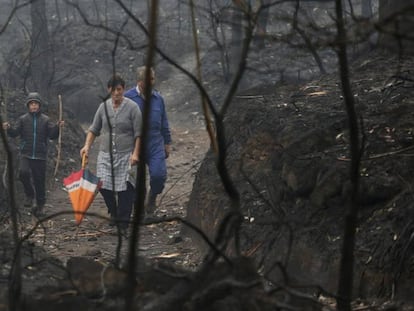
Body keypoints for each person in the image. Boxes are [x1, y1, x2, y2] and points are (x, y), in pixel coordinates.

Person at [80, 74, 142, 230]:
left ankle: (123, 222)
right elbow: (94, 129)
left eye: (119, 89)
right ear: (109, 90)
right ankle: (114, 212)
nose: (116, 93)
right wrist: (87, 146)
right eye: (113, 90)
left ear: (124, 89)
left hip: (126, 154)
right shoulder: (103, 107)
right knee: (103, 185)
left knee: (125, 189)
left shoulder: (133, 107)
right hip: (106, 154)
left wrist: (136, 153)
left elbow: (139, 134)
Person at [2, 92, 64, 216]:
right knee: (23, 173)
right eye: (31, 104)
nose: (34, 106)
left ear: (39, 105)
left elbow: (52, 135)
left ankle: (40, 206)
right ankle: (29, 195)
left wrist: (58, 127)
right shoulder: (23, 119)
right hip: (26, 153)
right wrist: (8, 128)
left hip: (40, 155)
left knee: (39, 181)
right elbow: (14, 133)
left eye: (36, 103)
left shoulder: (45, 120)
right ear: (28, 106)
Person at [124, 66, 172, 215]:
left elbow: (164, 121)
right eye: (147, 80)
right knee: (136, 181)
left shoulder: (158, 99)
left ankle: (152, 198)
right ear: (139, 81)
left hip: (155, 142)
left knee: (159, 175)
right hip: (133, 144)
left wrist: (167, 142)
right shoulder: (128, 98)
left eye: (152, 78)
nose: (151, 82)